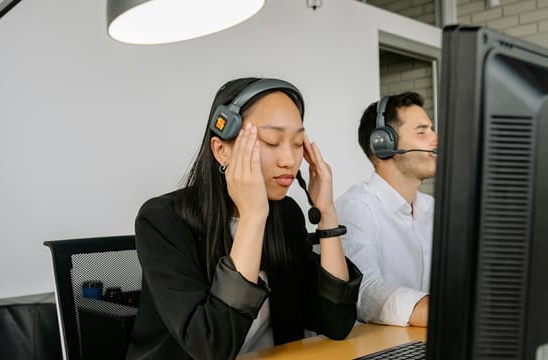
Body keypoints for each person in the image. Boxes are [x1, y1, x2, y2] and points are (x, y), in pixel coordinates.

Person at [126, 77, 362, 360]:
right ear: (221, 149)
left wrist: (327, 215)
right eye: (271, 142)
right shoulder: (162, 221)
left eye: (298, 143)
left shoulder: (286, 215)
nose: (289, 159)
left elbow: (337, 323)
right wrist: (252, 217)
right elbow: (212, 347)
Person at [336, 92, 437, 327]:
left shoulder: (433, 209)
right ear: (383, 143)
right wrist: (440, 312)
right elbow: (366, 293)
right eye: (422, 132)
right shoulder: (356, 208)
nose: (435, 139)